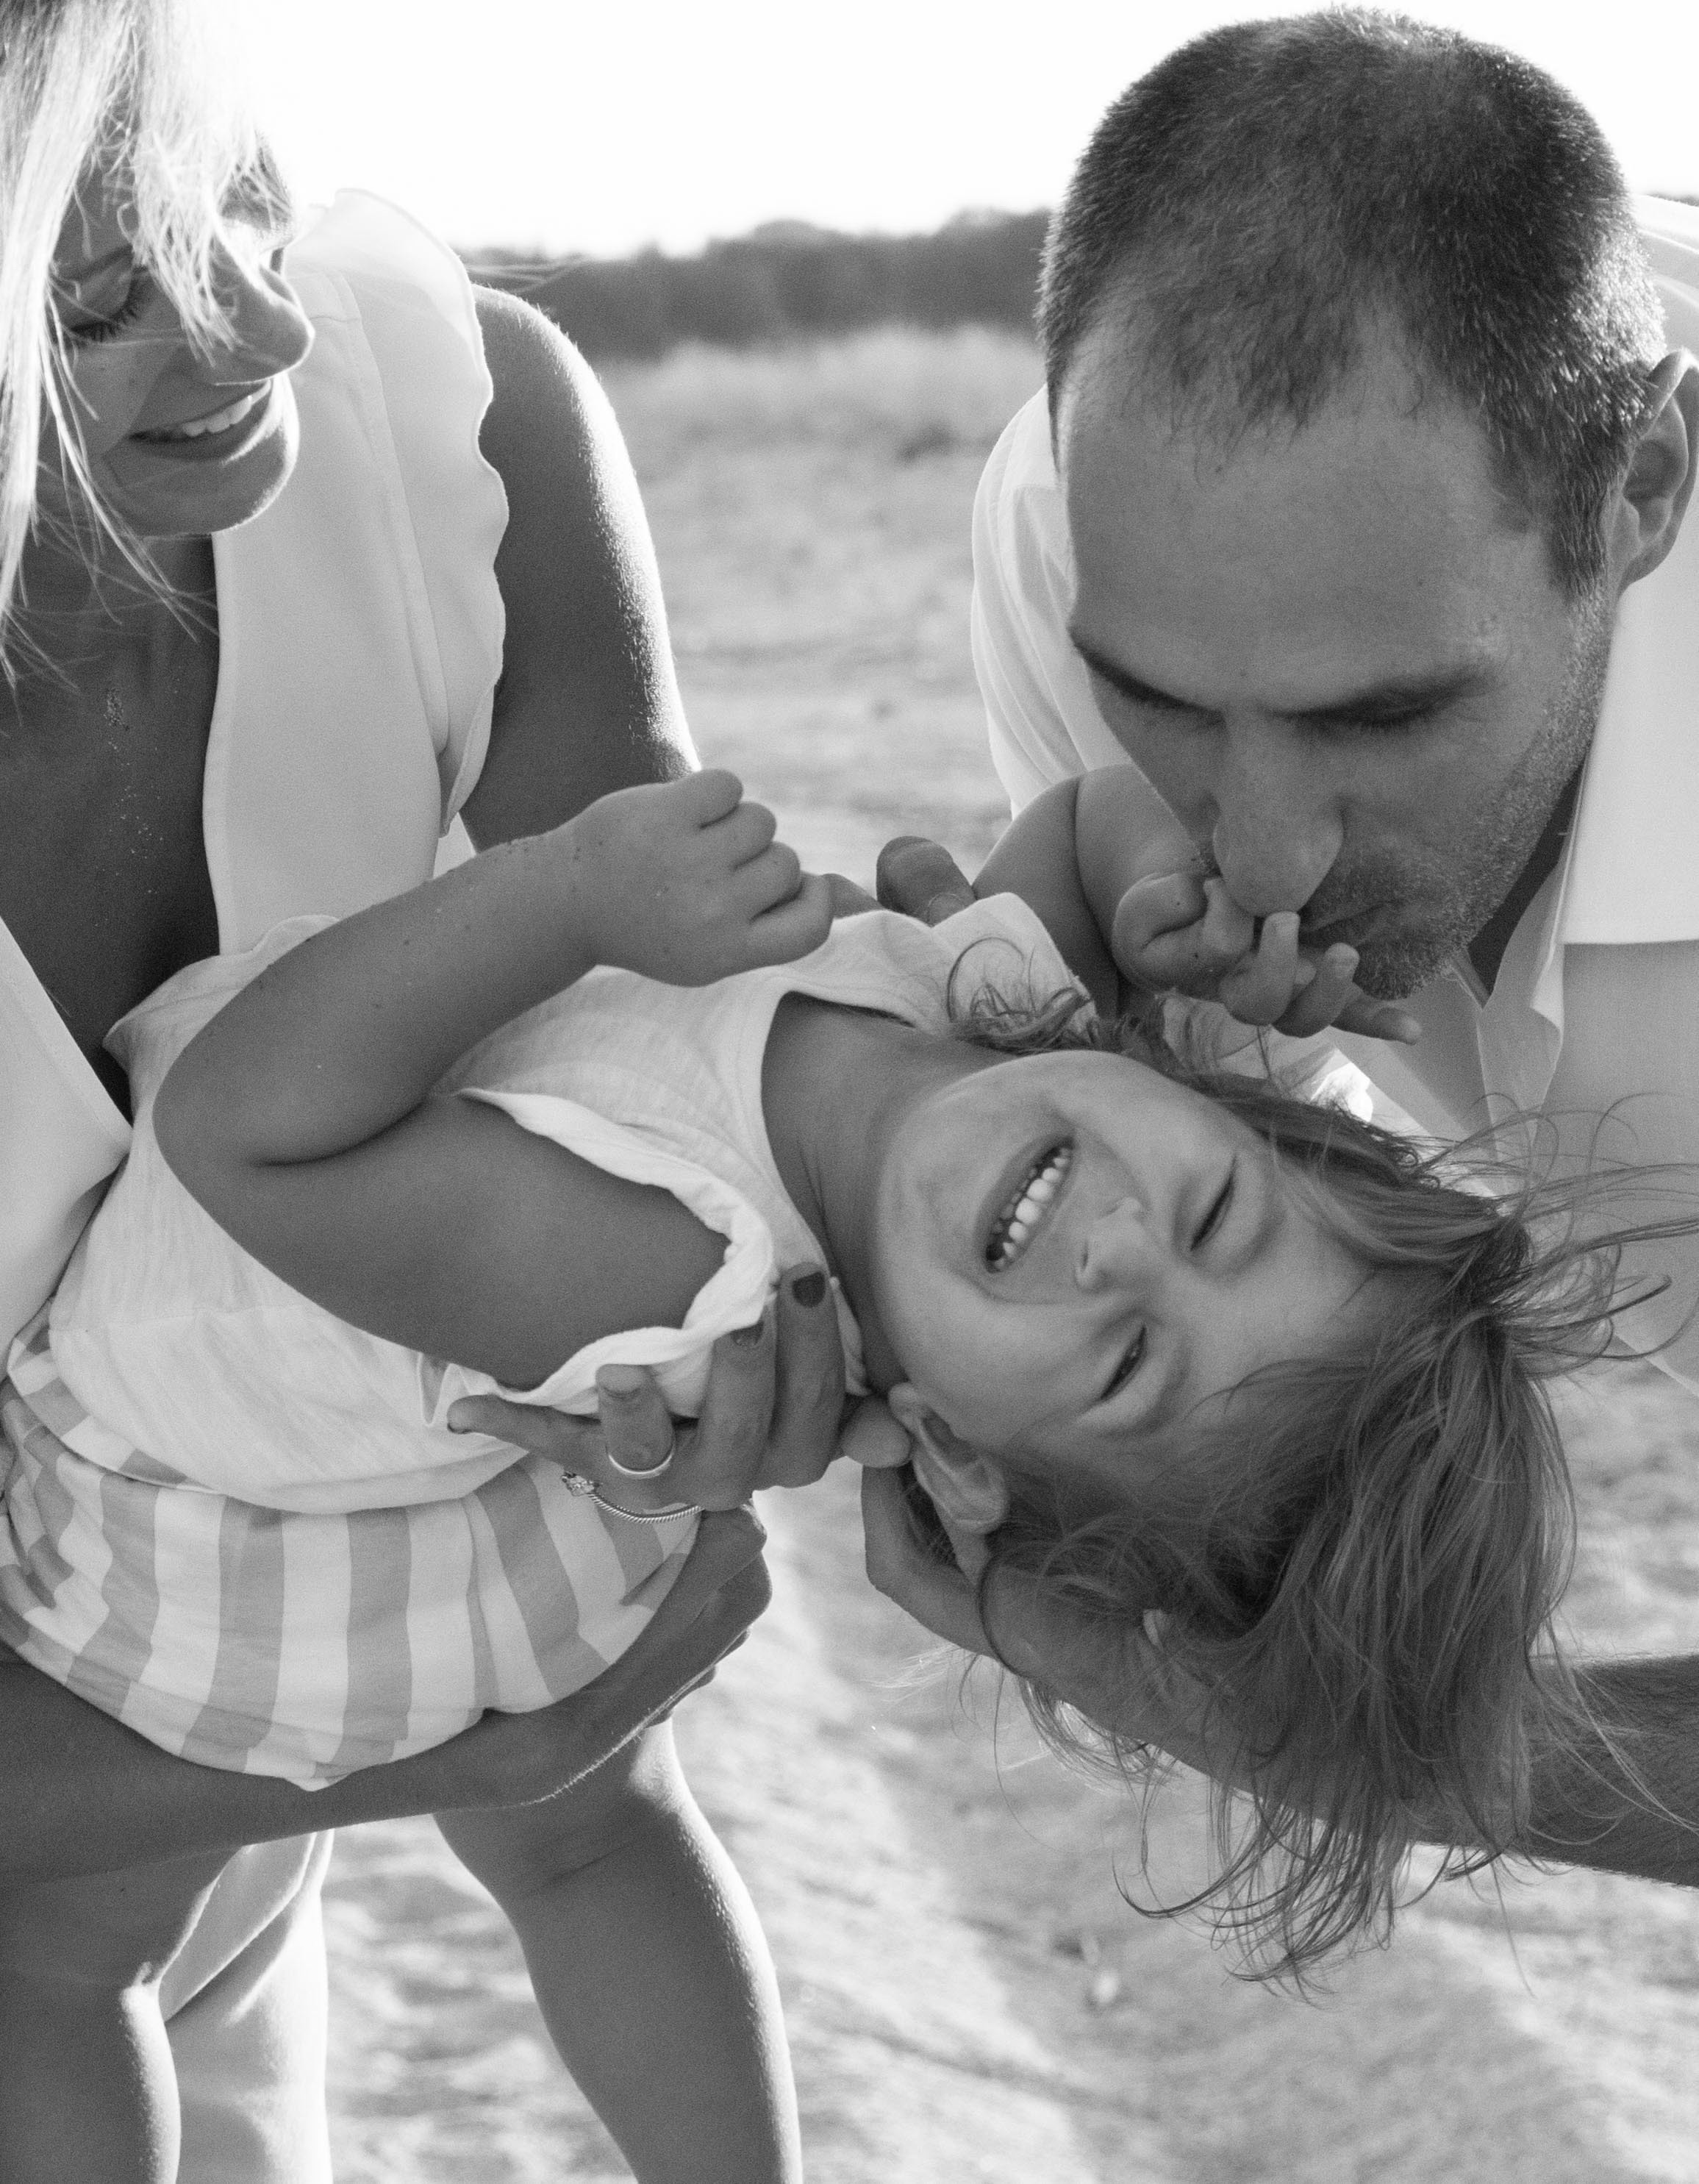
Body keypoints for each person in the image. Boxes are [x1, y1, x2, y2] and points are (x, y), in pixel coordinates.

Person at [0, 754, 1678, 2180]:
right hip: (549, 1499)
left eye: (1123, 1363)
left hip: (222, 1498)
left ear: (952, 1448)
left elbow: (248, 1132)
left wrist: (564, 897)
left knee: (72, 1959)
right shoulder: (981, 1023)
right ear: (1237, 1108)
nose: (1113, 1243)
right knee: (595, 1848)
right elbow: (1091, 825)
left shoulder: (651, 1260)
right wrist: (1167, 892)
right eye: (1221, 1211)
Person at [0, 0, 845, 2179]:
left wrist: (749, 1302)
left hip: (192, 1778)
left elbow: (681, 1023)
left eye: (242, 181)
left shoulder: (438, 421)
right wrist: (415, 1750)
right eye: (101, 291)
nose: (256, 314)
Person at [870, 7, 1699, 1888]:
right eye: (1157, 706)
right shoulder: (1092, 524)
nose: (1257, 853)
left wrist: (1354, 1754)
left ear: (1640, 490)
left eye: (1383, 720)